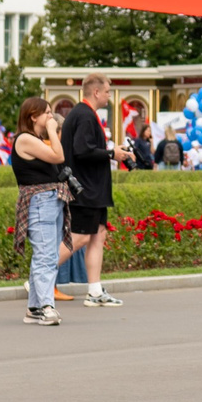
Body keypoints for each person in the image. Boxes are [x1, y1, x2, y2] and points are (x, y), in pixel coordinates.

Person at [60, 74, 128, 306]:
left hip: (93, 189)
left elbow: (86, 148)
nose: (109, 95)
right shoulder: (85, 115)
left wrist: (111, 150)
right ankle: (37, 276)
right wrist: (111, 154)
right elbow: (82, 150)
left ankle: (95, 292)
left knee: (98, 236)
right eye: (108, 91)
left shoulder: (83, 114)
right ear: (96, 92)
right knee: (78, 238)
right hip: (85, 190)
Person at [9, 95, 70, 325]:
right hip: (39, 200)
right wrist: (53, 130)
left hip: (49, 199)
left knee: (48, 255)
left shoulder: (34, 139)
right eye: (46, 113)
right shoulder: (24, 138)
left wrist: (51, 131)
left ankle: (34, 307)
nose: (50, 116)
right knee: (45, 256)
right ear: (33, 116)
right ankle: (46, 306)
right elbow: (58, 155)